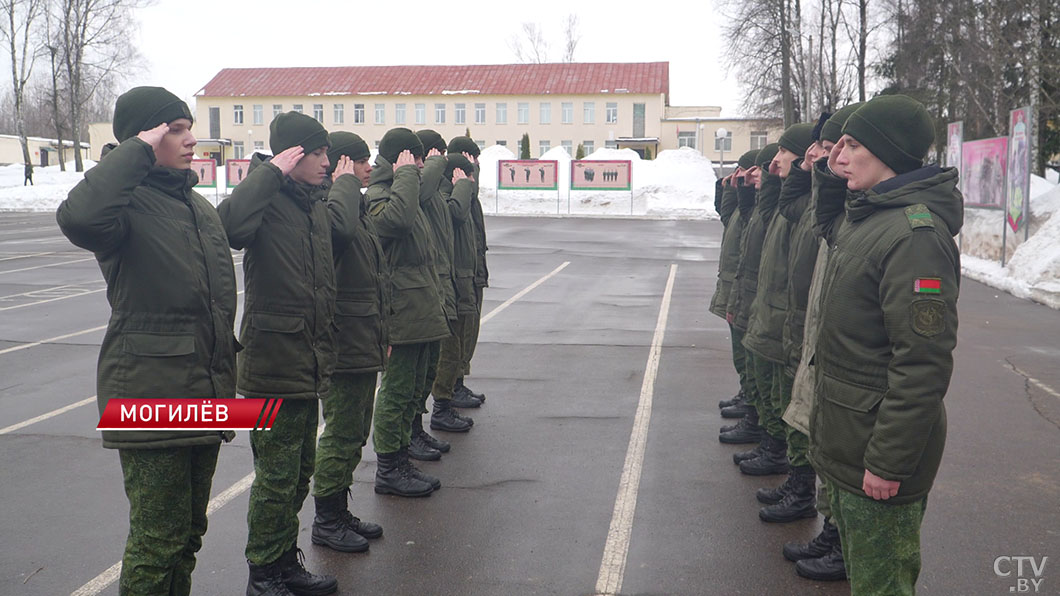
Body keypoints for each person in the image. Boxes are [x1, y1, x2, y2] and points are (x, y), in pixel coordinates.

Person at [56, 86, 237, 596]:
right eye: (173, 130)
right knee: (157, 541)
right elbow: (78, 218)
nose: (189, 139)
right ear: (144, 137)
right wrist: (134, 149)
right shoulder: (123, 205)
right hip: (148, 393)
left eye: (187, 127)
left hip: (203, 391)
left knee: (187, 535)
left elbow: (216, 306)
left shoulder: (195, 206)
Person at [810, 95, 960, 595]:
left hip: (876, 455)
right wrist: (830, 174)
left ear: (888, 153)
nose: (839, 156)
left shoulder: (914, 235)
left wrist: (888, 461)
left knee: (882, 586)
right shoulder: (869, 218)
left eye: (852, 145)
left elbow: (922, 363)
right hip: (849, 439)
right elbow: (828, 220)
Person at [218, 110, 358, 596]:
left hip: (307, 358)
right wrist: (269, 172)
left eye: (326, 153)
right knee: (276, 477)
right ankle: (264, 573)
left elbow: (343, 234)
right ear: (292, 154)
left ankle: (282, 559)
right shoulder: (267, 197)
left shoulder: (312, 202)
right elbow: (228, 227)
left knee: (299, 471)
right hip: (271, 362)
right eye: (316, 153)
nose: (326, 161)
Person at [781, 102, 862, 582]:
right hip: (814, 345)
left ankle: (839, 537)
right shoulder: (843, 213)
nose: (832, 159)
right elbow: (794, 204)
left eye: (846, 147)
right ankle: (833, 531)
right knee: (822, 445)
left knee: (842, 460)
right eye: (833, 148)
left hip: (850, 379)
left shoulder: (895, 228)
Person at [310, 132, 386, 554]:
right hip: (343, 339)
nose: (369, 168)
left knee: (356, 431)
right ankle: (327, 519)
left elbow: (375, 277)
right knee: (340, 433)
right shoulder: (329, 206)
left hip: (363, 336)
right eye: (359, 161)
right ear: (340, 165)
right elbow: (334, 243)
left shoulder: (355, 204)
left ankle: (339, 509)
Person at [367, 128, 450, 498]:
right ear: (400, 159)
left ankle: (403, 455)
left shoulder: (405, 193)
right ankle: (388, 467)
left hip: (420, 309)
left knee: (415, 387)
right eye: (414, 159)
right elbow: (394, 223)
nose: (420, 166)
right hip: (401, 313)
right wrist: (405, 176)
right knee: (396, 393)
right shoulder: (379, 196)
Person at [740, 123, 814, 481]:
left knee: (788, 405)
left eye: (784, 152)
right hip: (770, 316)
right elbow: (762, 214)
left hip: (787, 324)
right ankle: (775, 451)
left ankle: (794, 480)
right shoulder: (789, 208)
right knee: (771, 393)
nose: (775, 160)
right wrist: (765, 183)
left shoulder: (807, 211)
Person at [447, 136, 488, 404]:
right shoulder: (453, 188)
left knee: (469, 334)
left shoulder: (467, 190)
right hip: (460, 274)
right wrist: (466, 175)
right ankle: (451, 389)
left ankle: (458, 382)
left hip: (473, 271)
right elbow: (460, 211)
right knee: (456, 338)